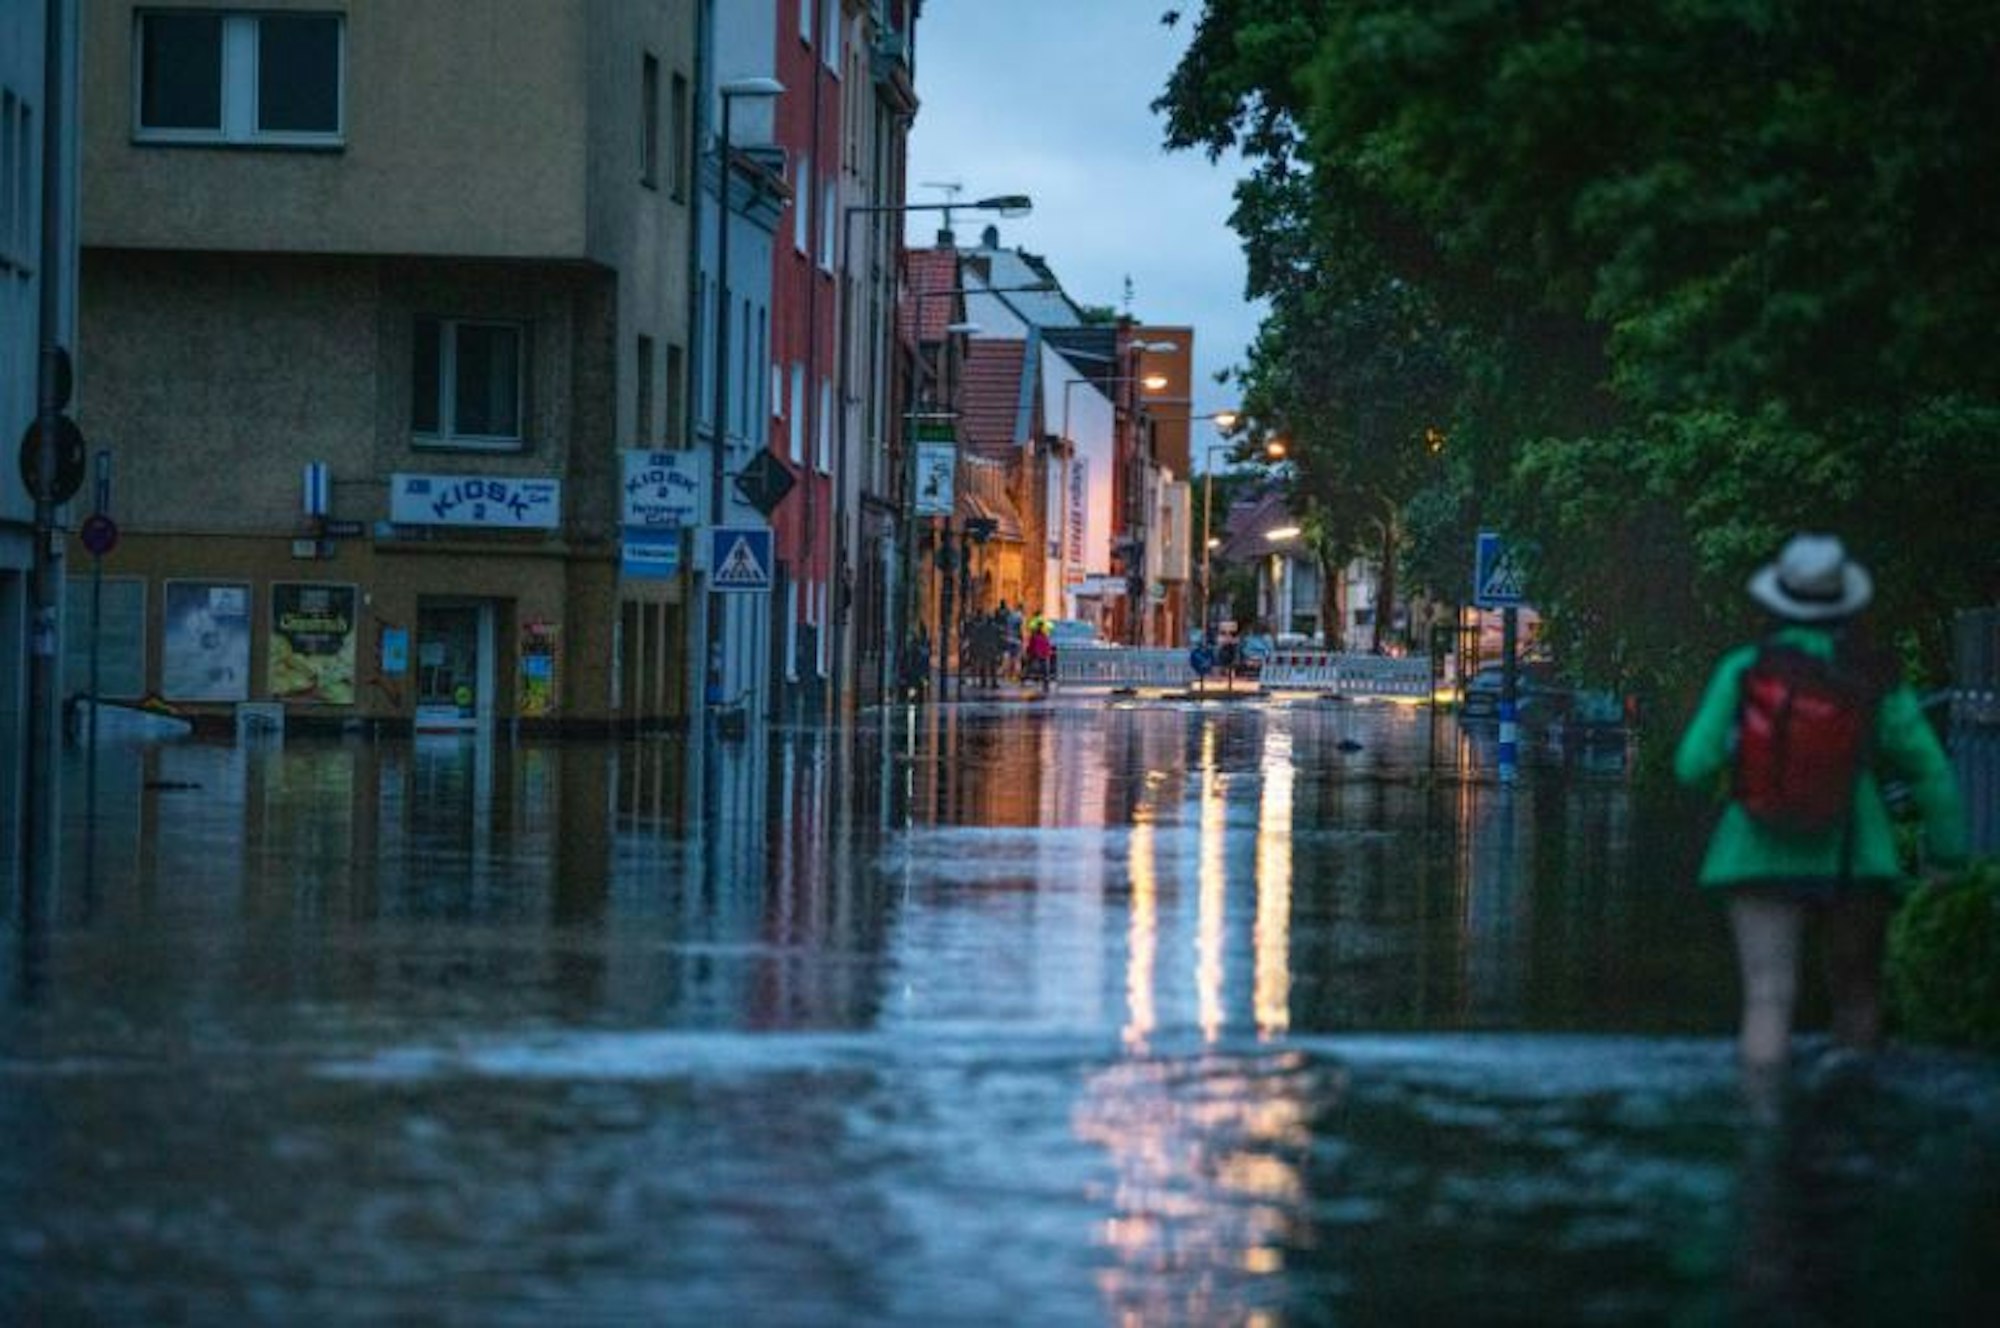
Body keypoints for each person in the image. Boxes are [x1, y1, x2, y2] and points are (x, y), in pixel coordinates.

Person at [1674, 533, 1966, 1078]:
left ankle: (1763, 1124)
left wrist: (1748, 785)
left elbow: (1692, 764)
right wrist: (1946, 860)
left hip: (1754, 853)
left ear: (1777, 600)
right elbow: (1930, 773)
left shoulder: (1745, 669)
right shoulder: (1873, 675)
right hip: (1854, 856)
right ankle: (1854, 1121)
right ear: (1846, 604)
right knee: (1857, 995)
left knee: (1768, 996)